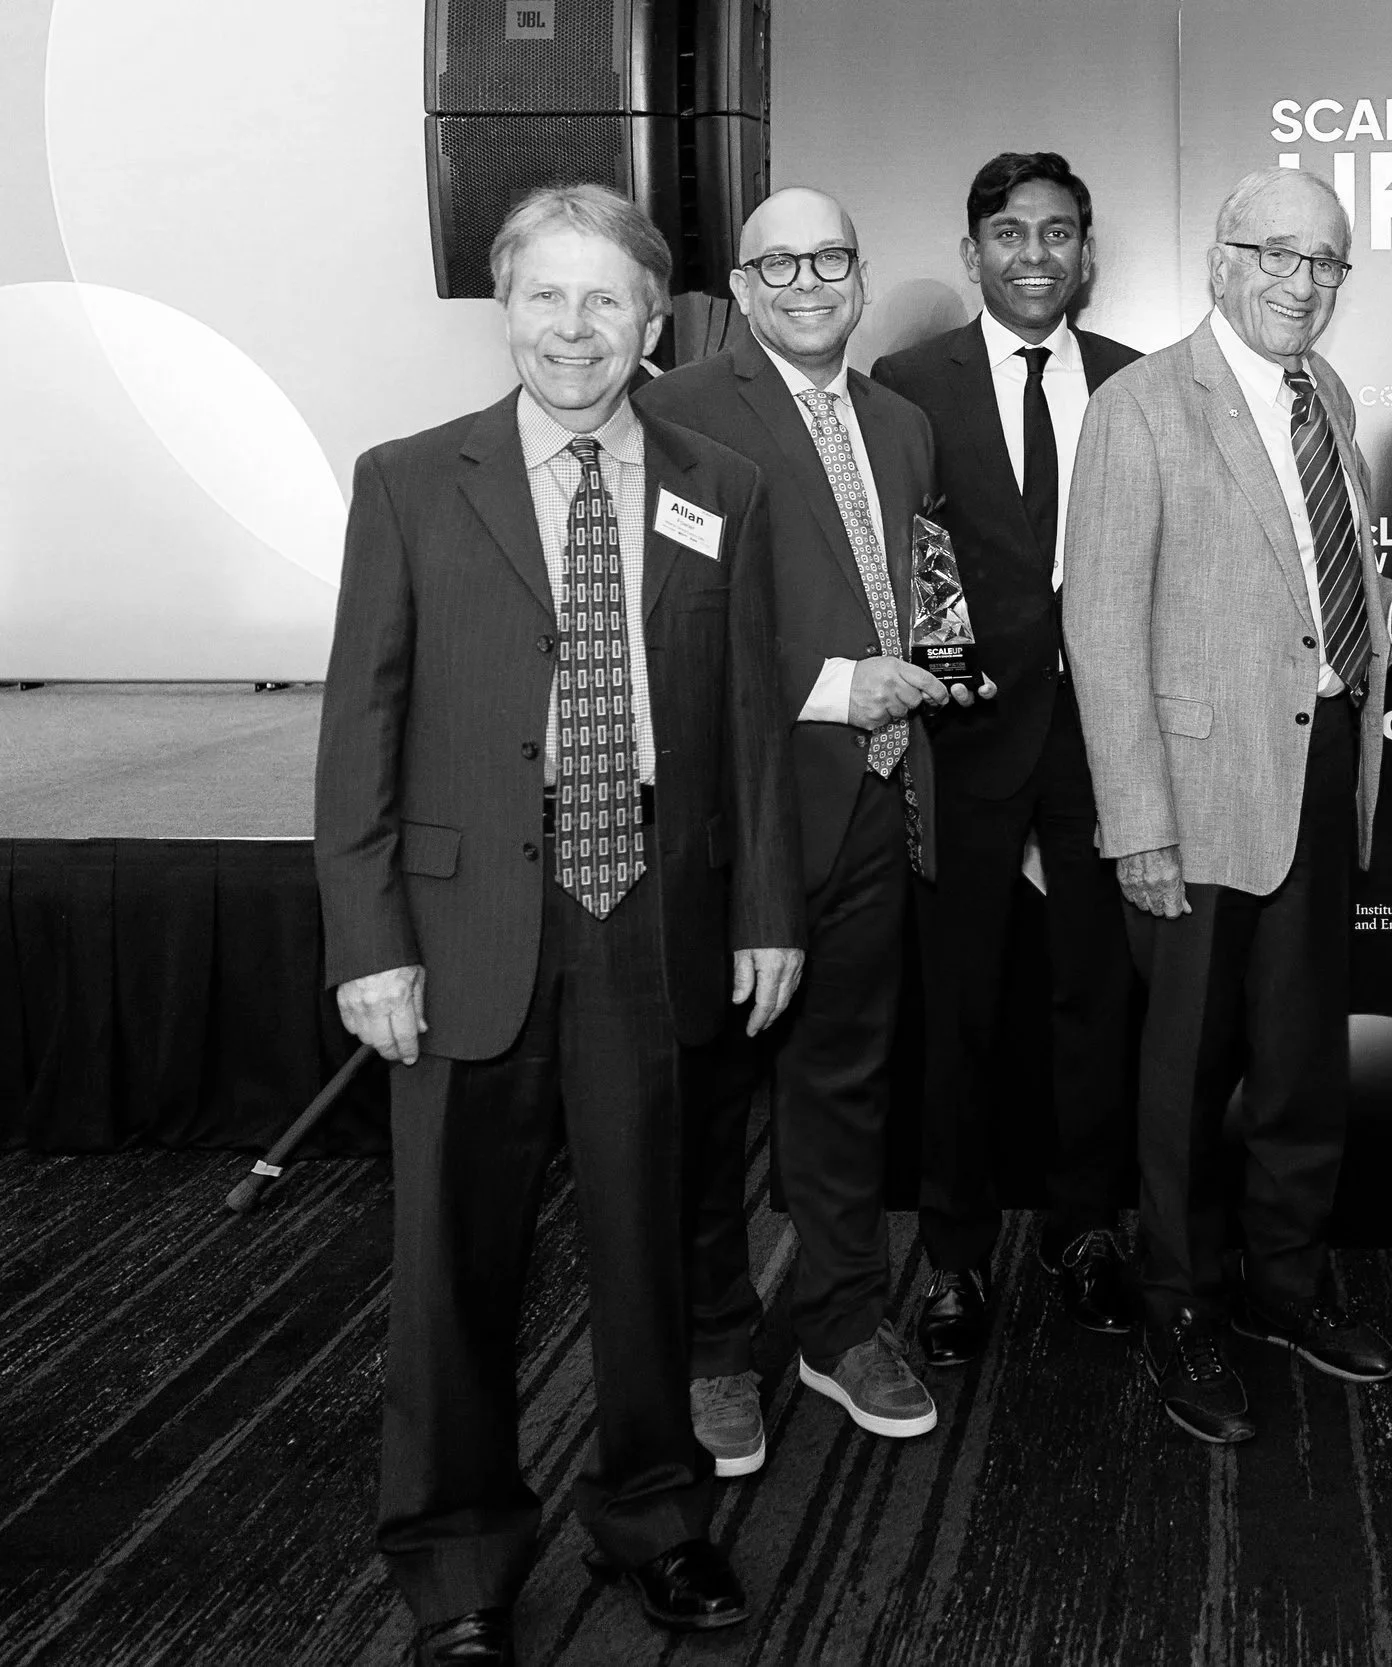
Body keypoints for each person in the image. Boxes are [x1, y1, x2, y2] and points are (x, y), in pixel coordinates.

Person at [315, 183, 803, 1665]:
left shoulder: (722, 483)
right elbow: (360, 728)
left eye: (608, 302)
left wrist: (765, 908)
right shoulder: (409, 479)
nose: (576, 330)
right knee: (453, 1257)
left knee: (653, 1237)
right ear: (505, 306)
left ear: (657, 321)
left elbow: (747, 726)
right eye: (547, 297)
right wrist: (368, 937)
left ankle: (656, 1517)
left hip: (653, 906)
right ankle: (458, 1558)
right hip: (464, 926)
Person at [1063, 165, 1392, 1445]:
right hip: (1194, 798)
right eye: (1276, 253)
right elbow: (1100, 633)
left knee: (1302, 1063)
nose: (1301, 282)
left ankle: (1284, 1284)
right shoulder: (1141, 407)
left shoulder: (1326, 394)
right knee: (1184, 1076)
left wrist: (1374, 619)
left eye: (1325, 262)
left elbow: (1309, 582)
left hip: (1320, 772)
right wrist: (1138, 823)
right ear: (1220, 258)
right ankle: (1181, 1303)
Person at [641, 187, 983, 1469]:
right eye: (774, 261)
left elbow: (918, 586)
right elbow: (677, 624)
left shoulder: (900, 422)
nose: (804, 279)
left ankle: (837, 1323)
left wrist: (942, 665)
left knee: (842, 1084)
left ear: (857, 272)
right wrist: (842, 684)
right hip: (742, 817)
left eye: (828, 255)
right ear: (738, 284)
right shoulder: (674, 412)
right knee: (716, 1095)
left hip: (877, 804)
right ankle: (712, 1347)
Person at [871, 152, 1144, 1366]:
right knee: (959, 1017)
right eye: (1009, 233)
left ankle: (1086, 1230)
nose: (1034, 255)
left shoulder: (1139, 384)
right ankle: (954, 1259)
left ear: (1086, 251)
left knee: (1098, 1002)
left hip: (1106, 750)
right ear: (973, 246)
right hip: (965, 744)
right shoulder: (907, 385)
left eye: (1057, 233)